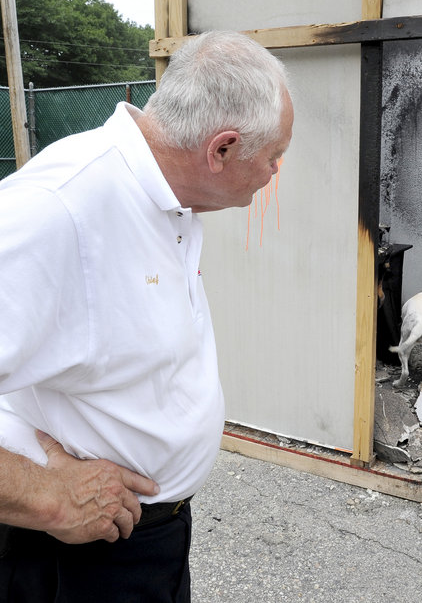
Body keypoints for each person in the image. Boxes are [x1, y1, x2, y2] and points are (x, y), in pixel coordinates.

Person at [0, 30, 294, 602]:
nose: (274, 172)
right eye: (273, 156)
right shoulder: (58, 211)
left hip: (145, 539)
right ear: (222, 149)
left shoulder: (168, 200)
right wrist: (45, 495)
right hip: (76, 558)